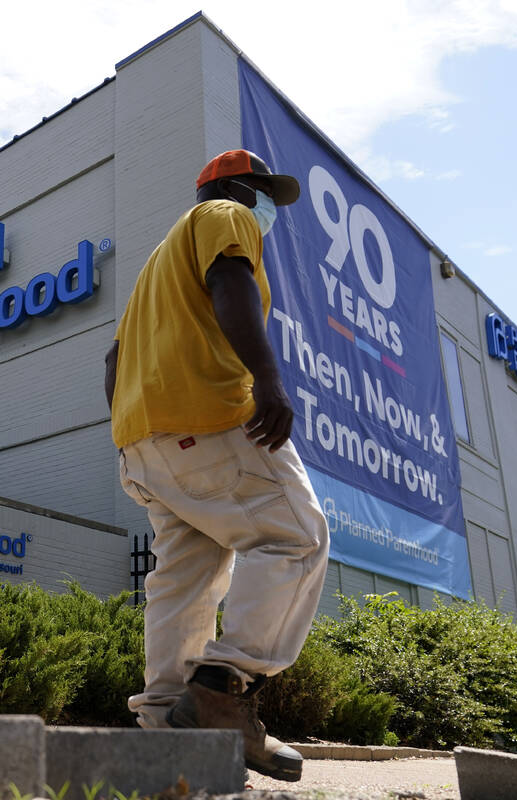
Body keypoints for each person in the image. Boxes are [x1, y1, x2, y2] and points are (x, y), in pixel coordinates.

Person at [105, 149, 329, 782]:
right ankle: (220, 694)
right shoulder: (226, 214)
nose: (265, 209)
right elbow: (231, 284)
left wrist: (131, 434)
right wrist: (268, 379)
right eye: (262, 193)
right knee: (297, 538)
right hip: (211, 421)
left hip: (146, 446)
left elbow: (111, 361)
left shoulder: (153, 273)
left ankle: (163, 718)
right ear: (231, 186)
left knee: (187, 577)